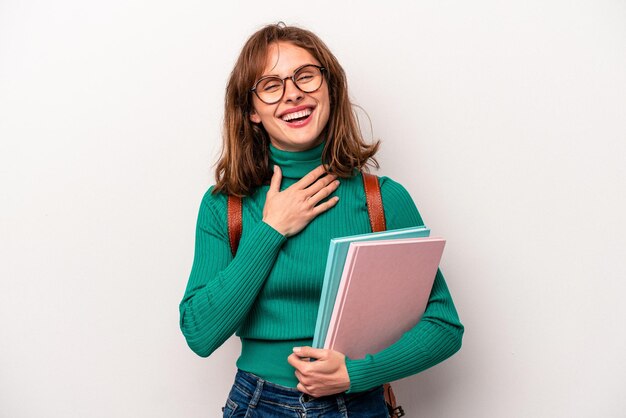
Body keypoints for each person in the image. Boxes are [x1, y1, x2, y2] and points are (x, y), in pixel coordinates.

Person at [179, 22, 464, 417]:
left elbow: (444, 326)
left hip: (359, 402)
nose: (293, 93)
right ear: (251, 111)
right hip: (258, 405)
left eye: (305, 76)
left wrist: (358, 373)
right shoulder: (224, 206)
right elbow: (200, 334)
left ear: (330, 87)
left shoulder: (381, 199)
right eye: (271, 85)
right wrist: (270, 229)